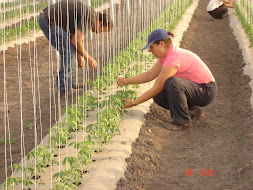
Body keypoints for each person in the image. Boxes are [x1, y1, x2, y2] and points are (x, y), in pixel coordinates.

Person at [117, 29, 218, 131]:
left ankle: (183, 123)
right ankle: (192, 112)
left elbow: (156, 88)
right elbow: (150, 75)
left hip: (206, 90)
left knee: (172, 83)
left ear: (161, 44)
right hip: (196, 88)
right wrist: (126, 81)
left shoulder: (173, 58)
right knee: (159, 95)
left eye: (152, 47)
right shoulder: (166, 56)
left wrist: (134, 102)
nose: (150, 51)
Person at [39, 0, 112, 94]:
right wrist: (88, 58)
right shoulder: (90, 17)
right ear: (100, 22)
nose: (98, 33)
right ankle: (64, 88)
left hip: (50, 20)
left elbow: (72, 37)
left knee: (70, 51)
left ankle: (70, 84)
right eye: (102, 30)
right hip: (49, 21)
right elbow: (76, 41)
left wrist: (79, 56)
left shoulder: (89, 15)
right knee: (68, 52)